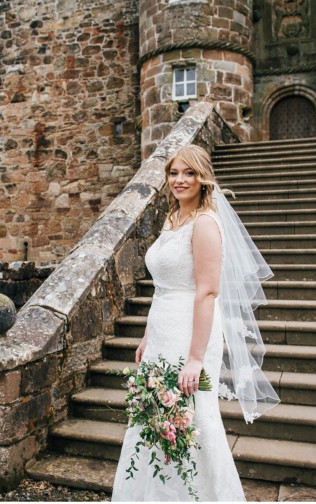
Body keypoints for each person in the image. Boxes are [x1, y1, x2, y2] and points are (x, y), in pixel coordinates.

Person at [111, 145, 279, 502]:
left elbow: (207, 292)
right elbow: (162, 288)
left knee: (194, 420)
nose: (180, 180)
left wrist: (196, 359)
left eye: (188, 173)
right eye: (174, 173)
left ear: (202, 178)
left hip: (192, 336)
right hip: (162, 331)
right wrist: (145, 336)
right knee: (153, 418)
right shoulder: (171, 219)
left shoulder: (204, 223)